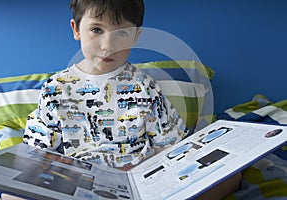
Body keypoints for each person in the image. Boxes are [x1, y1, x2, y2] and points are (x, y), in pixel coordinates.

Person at [23, 0, 188, 169]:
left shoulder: (146, 88)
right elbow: (35, 155)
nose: (108, 46)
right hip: (79, 181)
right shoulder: (56, 90)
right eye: (96, 30)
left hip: (137, 179)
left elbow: (171, 146)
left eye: (122, 33)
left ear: (135, 37)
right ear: (76, 29)